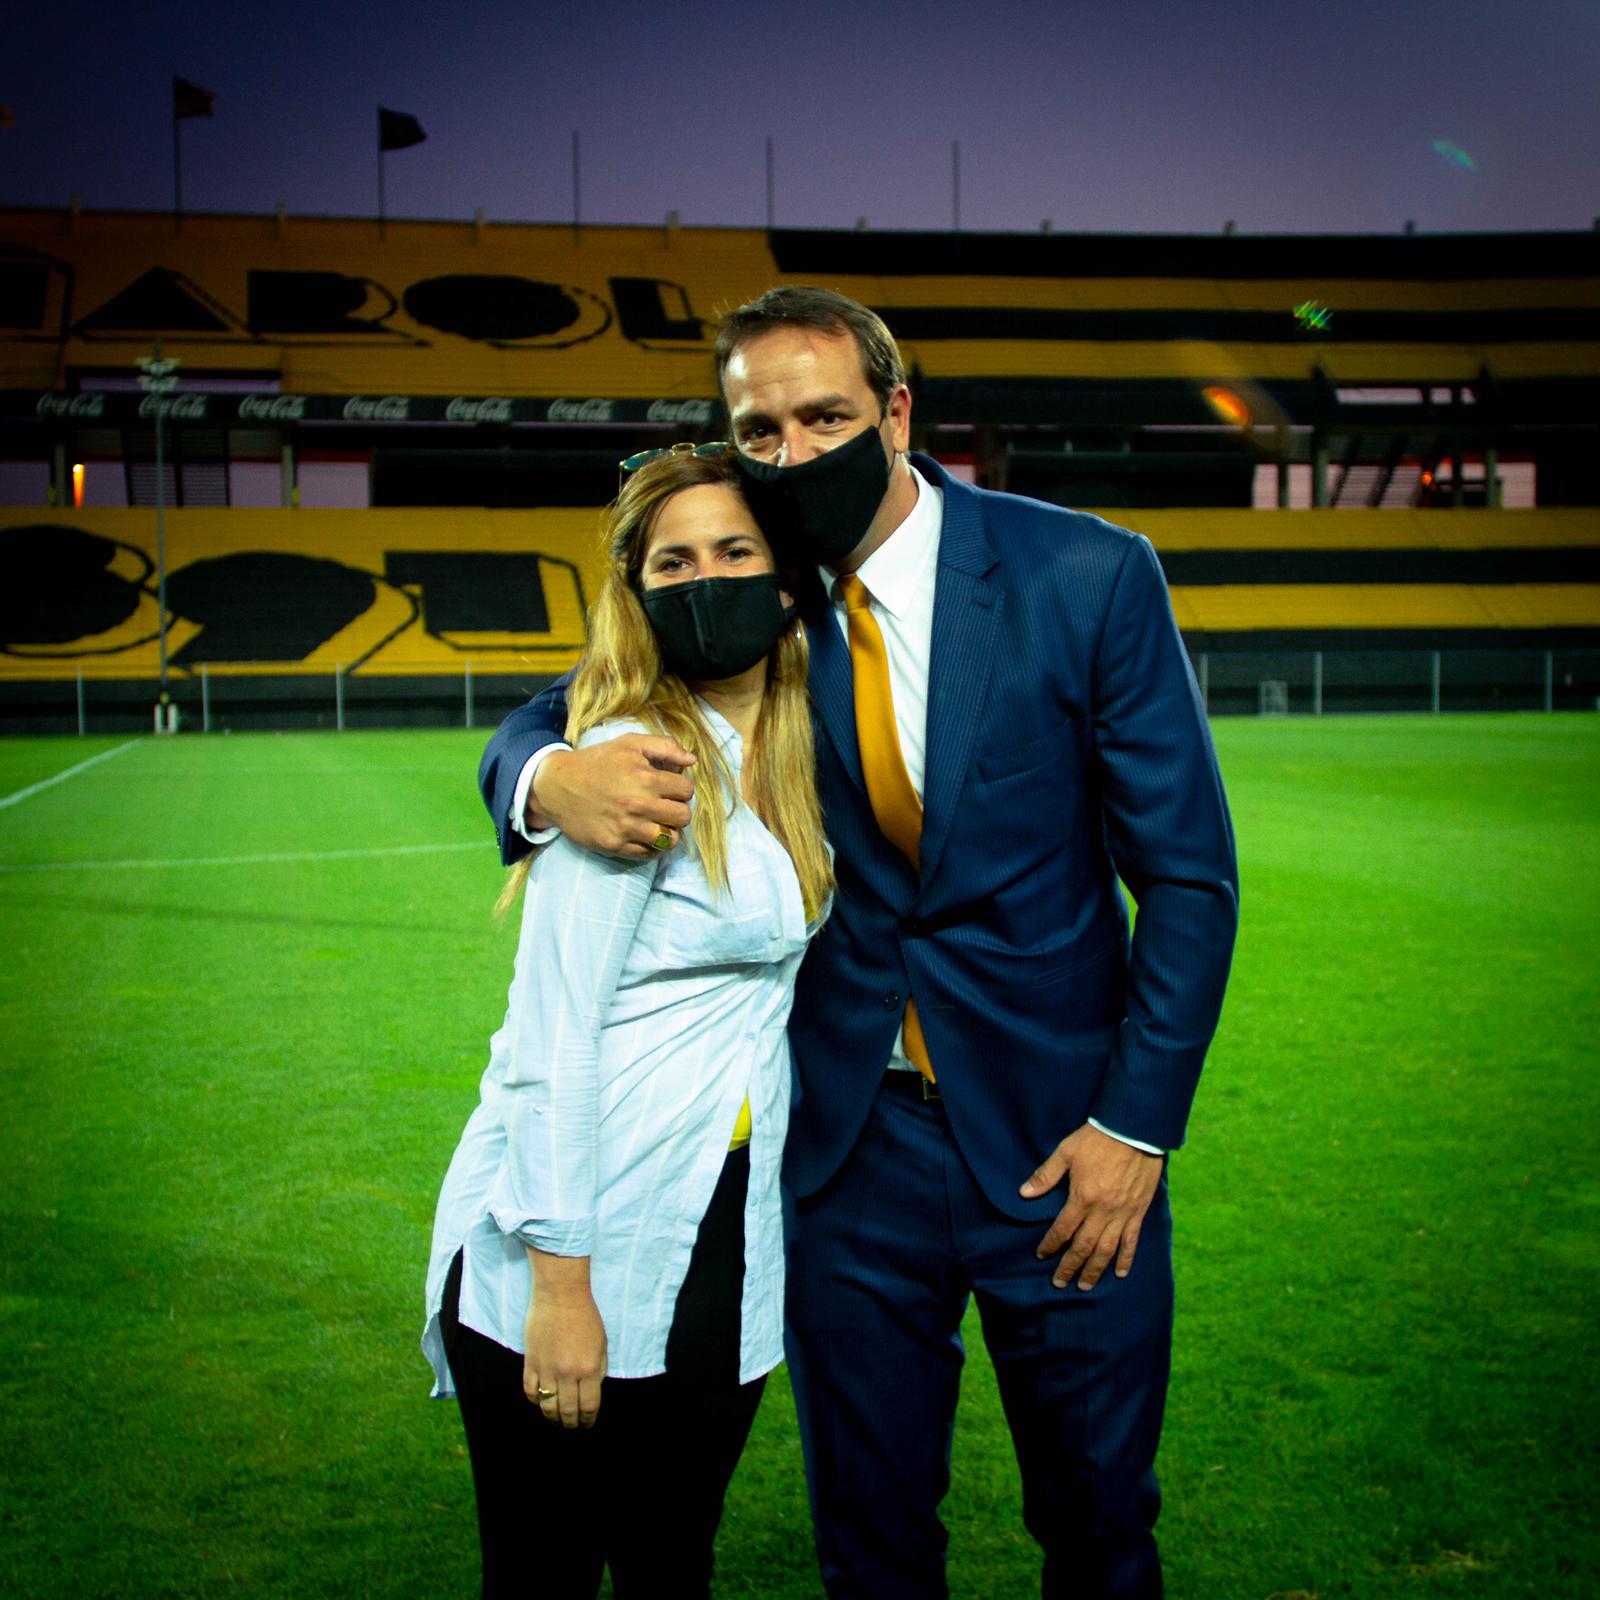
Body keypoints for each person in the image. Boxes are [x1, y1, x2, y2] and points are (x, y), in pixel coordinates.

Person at [478, 287, 1239, 1600]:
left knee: (1102, 1522)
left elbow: (1188, 875)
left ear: (895, 413)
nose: (788, 455)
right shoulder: (750, 593)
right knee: (872, 1544)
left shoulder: (1085, 572)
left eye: (821, 416)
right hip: (842, 1152)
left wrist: (1137, 1128)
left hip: (1071, 1144)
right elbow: (561, 709)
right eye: (755, 429)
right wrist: (543, 777)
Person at [425, 445, 833, 1600]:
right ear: (638, 591)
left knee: (671, 1565)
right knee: (543, 1576)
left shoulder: (797, 752)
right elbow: (548, 1046)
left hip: (724, 1226)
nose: (707, 579)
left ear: (786, 577)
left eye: (734, 551)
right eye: (674, 560)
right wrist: (561, 1290)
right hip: (573, 1243)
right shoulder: (627, 768)